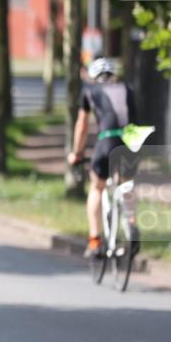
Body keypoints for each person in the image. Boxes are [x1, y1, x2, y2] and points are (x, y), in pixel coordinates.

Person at [67, 58, 140, 259]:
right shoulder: (127, 89)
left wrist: (77, 153)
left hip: (107, 140)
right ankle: (132, 225)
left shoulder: (89, 90)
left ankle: (95, 241)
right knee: (126, 184)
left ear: (93, 77)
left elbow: (82, 125)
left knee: (97, 188)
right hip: (130, 142)